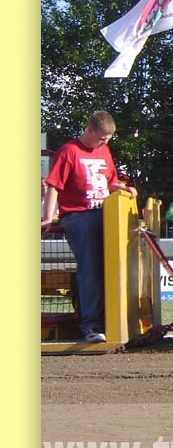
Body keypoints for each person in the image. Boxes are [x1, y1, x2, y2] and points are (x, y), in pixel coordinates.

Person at [40, 110, 137, 343]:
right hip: (79, 214)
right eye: (102, 138)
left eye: (108, 139)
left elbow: (110, 182)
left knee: (115, 263)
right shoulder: (69, 151)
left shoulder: (104, 151)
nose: (105, 143)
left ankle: (117, 318)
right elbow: (54, 185)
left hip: (105, 212)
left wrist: (124, 189)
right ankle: (91, 324)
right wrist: (48, 216)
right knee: (91, 266)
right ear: (90, 130)